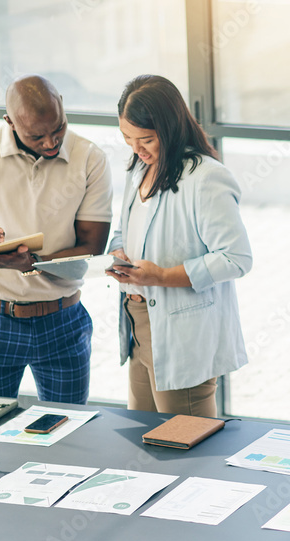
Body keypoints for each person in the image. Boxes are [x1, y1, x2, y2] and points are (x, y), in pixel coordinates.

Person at [0, 75, 112, 406]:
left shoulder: (90, 158)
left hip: (63, 322)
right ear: (9, 122)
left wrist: (32, 264)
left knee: (68, 434)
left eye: (58, 128)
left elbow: (92, 246)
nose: (50, 142)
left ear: (61, 103)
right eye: (36, 136)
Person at [105, 75, 252, 416]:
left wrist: (162, 276)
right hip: (139, 325)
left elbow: (236, 258)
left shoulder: (205, 177)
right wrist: (118, 252)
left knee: (185, 449)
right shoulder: (140, 168)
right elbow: (123, 228)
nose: (136, 150)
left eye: (146, 140)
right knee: (146, 441)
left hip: (181, 332)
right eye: (127, 139)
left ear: (170, 129)